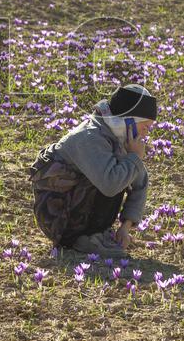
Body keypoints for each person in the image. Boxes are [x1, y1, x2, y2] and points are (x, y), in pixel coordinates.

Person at [30, 84, 156, 257]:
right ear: (128, 121)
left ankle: (95, 235)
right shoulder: (90, 136)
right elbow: (110, 185)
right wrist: (133, 158)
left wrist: (125, 228)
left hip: (76, 208)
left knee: (123, 170)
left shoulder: (118, 137)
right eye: (145, 126)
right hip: (59, 218)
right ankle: (81, 238)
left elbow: (140, 182)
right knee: (114, 175)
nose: (146, 133)